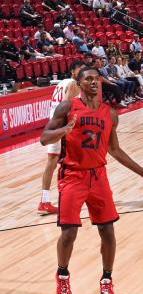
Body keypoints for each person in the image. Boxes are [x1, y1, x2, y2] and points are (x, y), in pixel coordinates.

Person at [40, 67, 143, 294]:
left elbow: (114, 149)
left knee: (108, 231)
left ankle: (107, 280)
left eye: (97, 78)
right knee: (69, 233)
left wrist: (141, 171)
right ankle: (62, 275)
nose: (94, 82)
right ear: (79, 83)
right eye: (89, 79)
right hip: (72, 176)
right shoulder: (67, 107)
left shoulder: (110, 113)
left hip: (98, 177)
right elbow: (44, 138)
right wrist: (64, 130)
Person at [38, 61, 86, 215]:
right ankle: (71, 196)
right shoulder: (73, 84)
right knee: (75, 161)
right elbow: (66, 105)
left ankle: (44, 201)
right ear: (72, 71)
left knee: (52, 163)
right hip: (62, 128)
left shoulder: (61, 82)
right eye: (80, 70)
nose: (82, 72)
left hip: (53, 126)